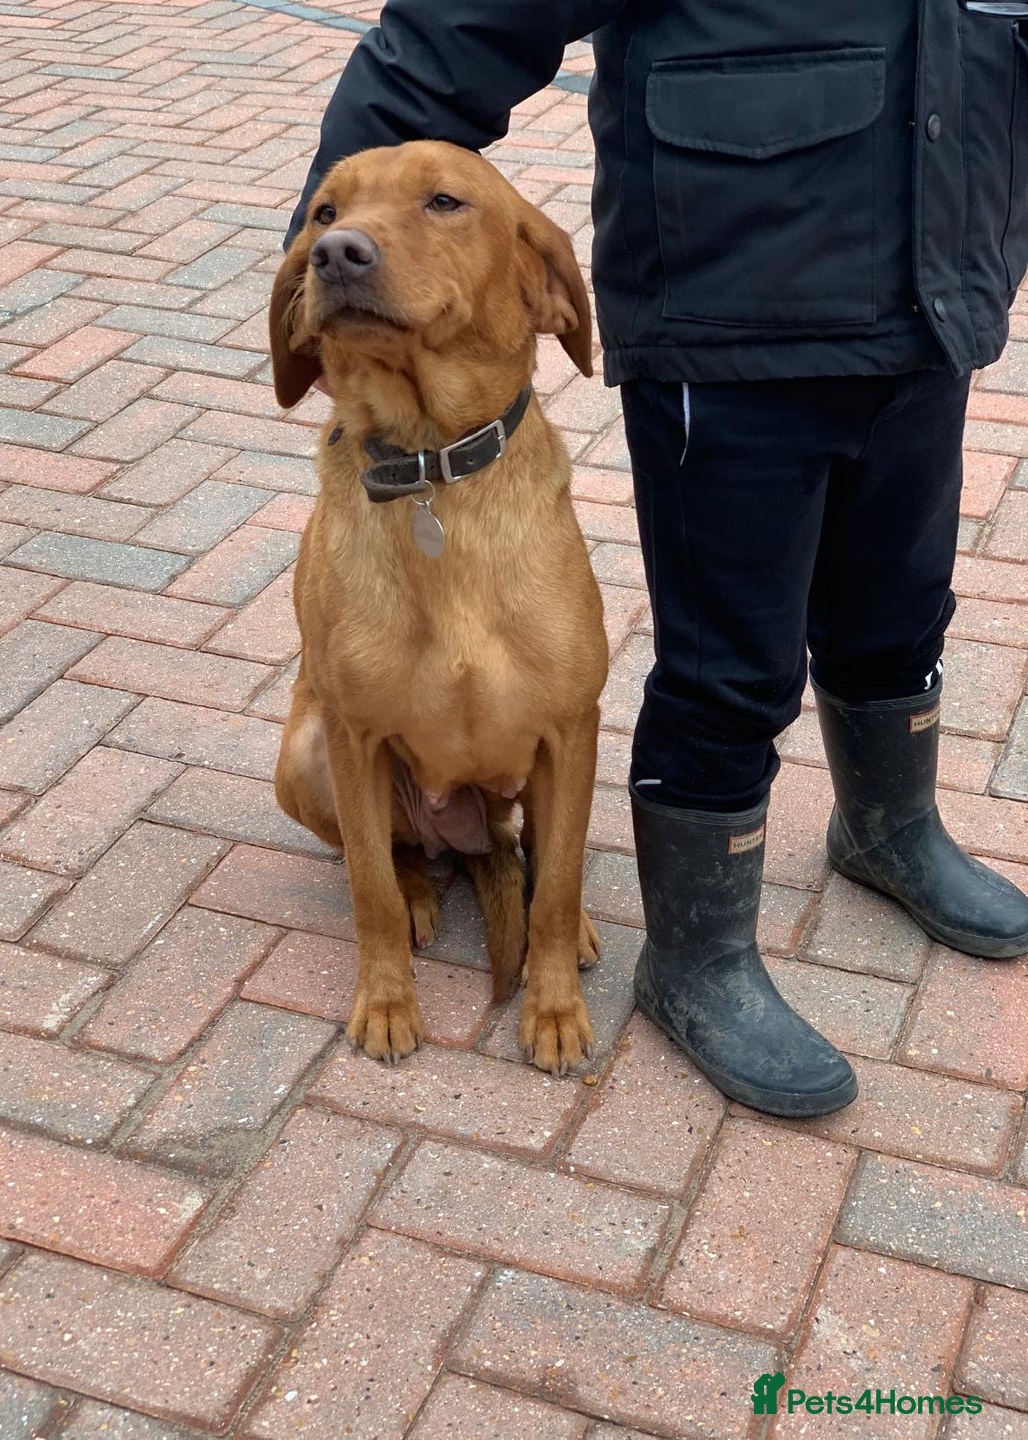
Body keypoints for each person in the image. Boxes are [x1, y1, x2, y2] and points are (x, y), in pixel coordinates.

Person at [283, 0, 1028, 1117]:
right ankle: (696, 957)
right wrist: (334, 291)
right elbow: (452, 30)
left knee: (901, 610)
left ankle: (889, 828)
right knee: (734, 669)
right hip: (734, 289)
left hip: (938, 281)